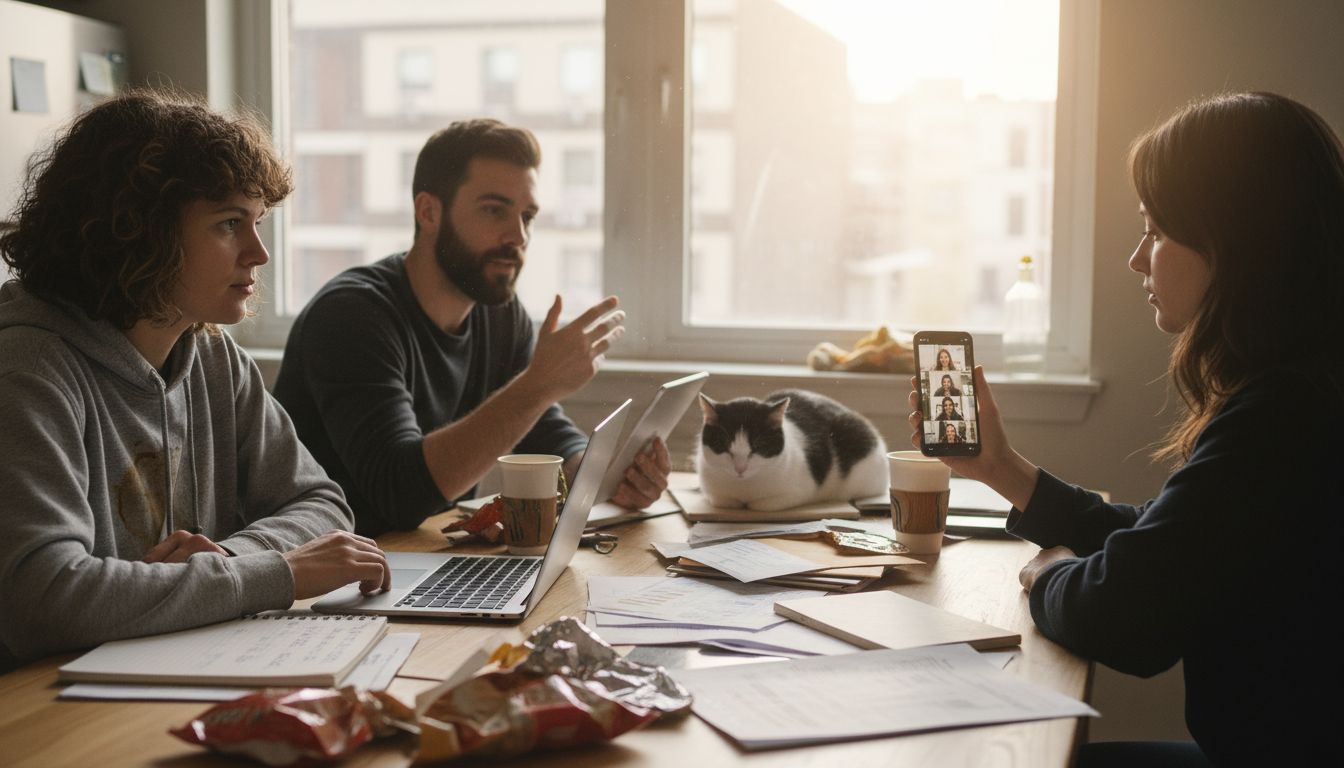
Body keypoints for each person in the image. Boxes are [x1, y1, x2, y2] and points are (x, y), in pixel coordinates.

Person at [908, 92, 1343, 764]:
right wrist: (1002, 469)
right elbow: (1167, 539)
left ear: (1237, 242)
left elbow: (1127, 618)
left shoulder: (1286, 413)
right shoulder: (1303, 389)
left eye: (1158, 231)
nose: (1139, 259)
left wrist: (1050, 575)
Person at [0, 89, 390, 667]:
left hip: (157, 669)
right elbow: (44, 598)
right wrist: (274, 574)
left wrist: (232, 559)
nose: (258, 252)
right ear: (137, 229)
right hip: (40, 703)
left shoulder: (212, 354)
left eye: (257, 222)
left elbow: (320, 502)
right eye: (230, 223)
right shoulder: (29, 368)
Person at [274, 119, 670, 536]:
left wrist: (609, 479)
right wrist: (539, 384)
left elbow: (544, 431)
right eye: (494, 210)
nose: (517, 236)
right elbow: (401, 495)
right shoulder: (352, 316)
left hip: (414, 561)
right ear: (428, 212)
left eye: (527, 216)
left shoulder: (499, 315)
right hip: (318, 577)